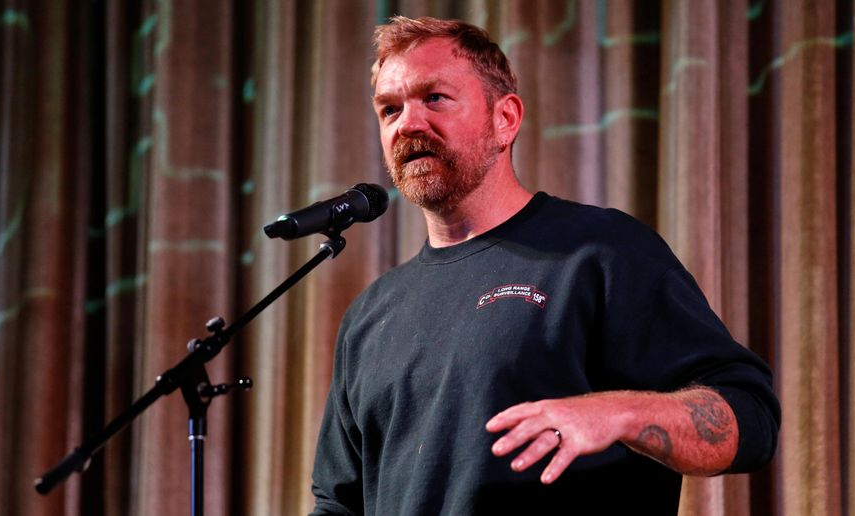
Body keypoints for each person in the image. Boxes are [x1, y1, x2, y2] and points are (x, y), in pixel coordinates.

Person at [310, 16, 780, 515]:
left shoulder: (600, 252)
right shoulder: (372, 315)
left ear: (505, 118)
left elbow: (748, 418)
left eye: (435, 98)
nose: (409, 123)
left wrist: (615, 413)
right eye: (389, 109)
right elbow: (338, 504)